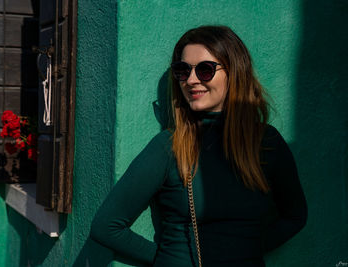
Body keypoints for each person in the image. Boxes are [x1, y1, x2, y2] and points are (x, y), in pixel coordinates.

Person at [90, 25, 308, 267]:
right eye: (183, 71)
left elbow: (295, 216)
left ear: (234, 72)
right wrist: (168, 259)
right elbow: (106, 226)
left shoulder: (266, 142)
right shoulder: (169, 146)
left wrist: (244, 250)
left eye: (205, 70)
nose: (191, 80)